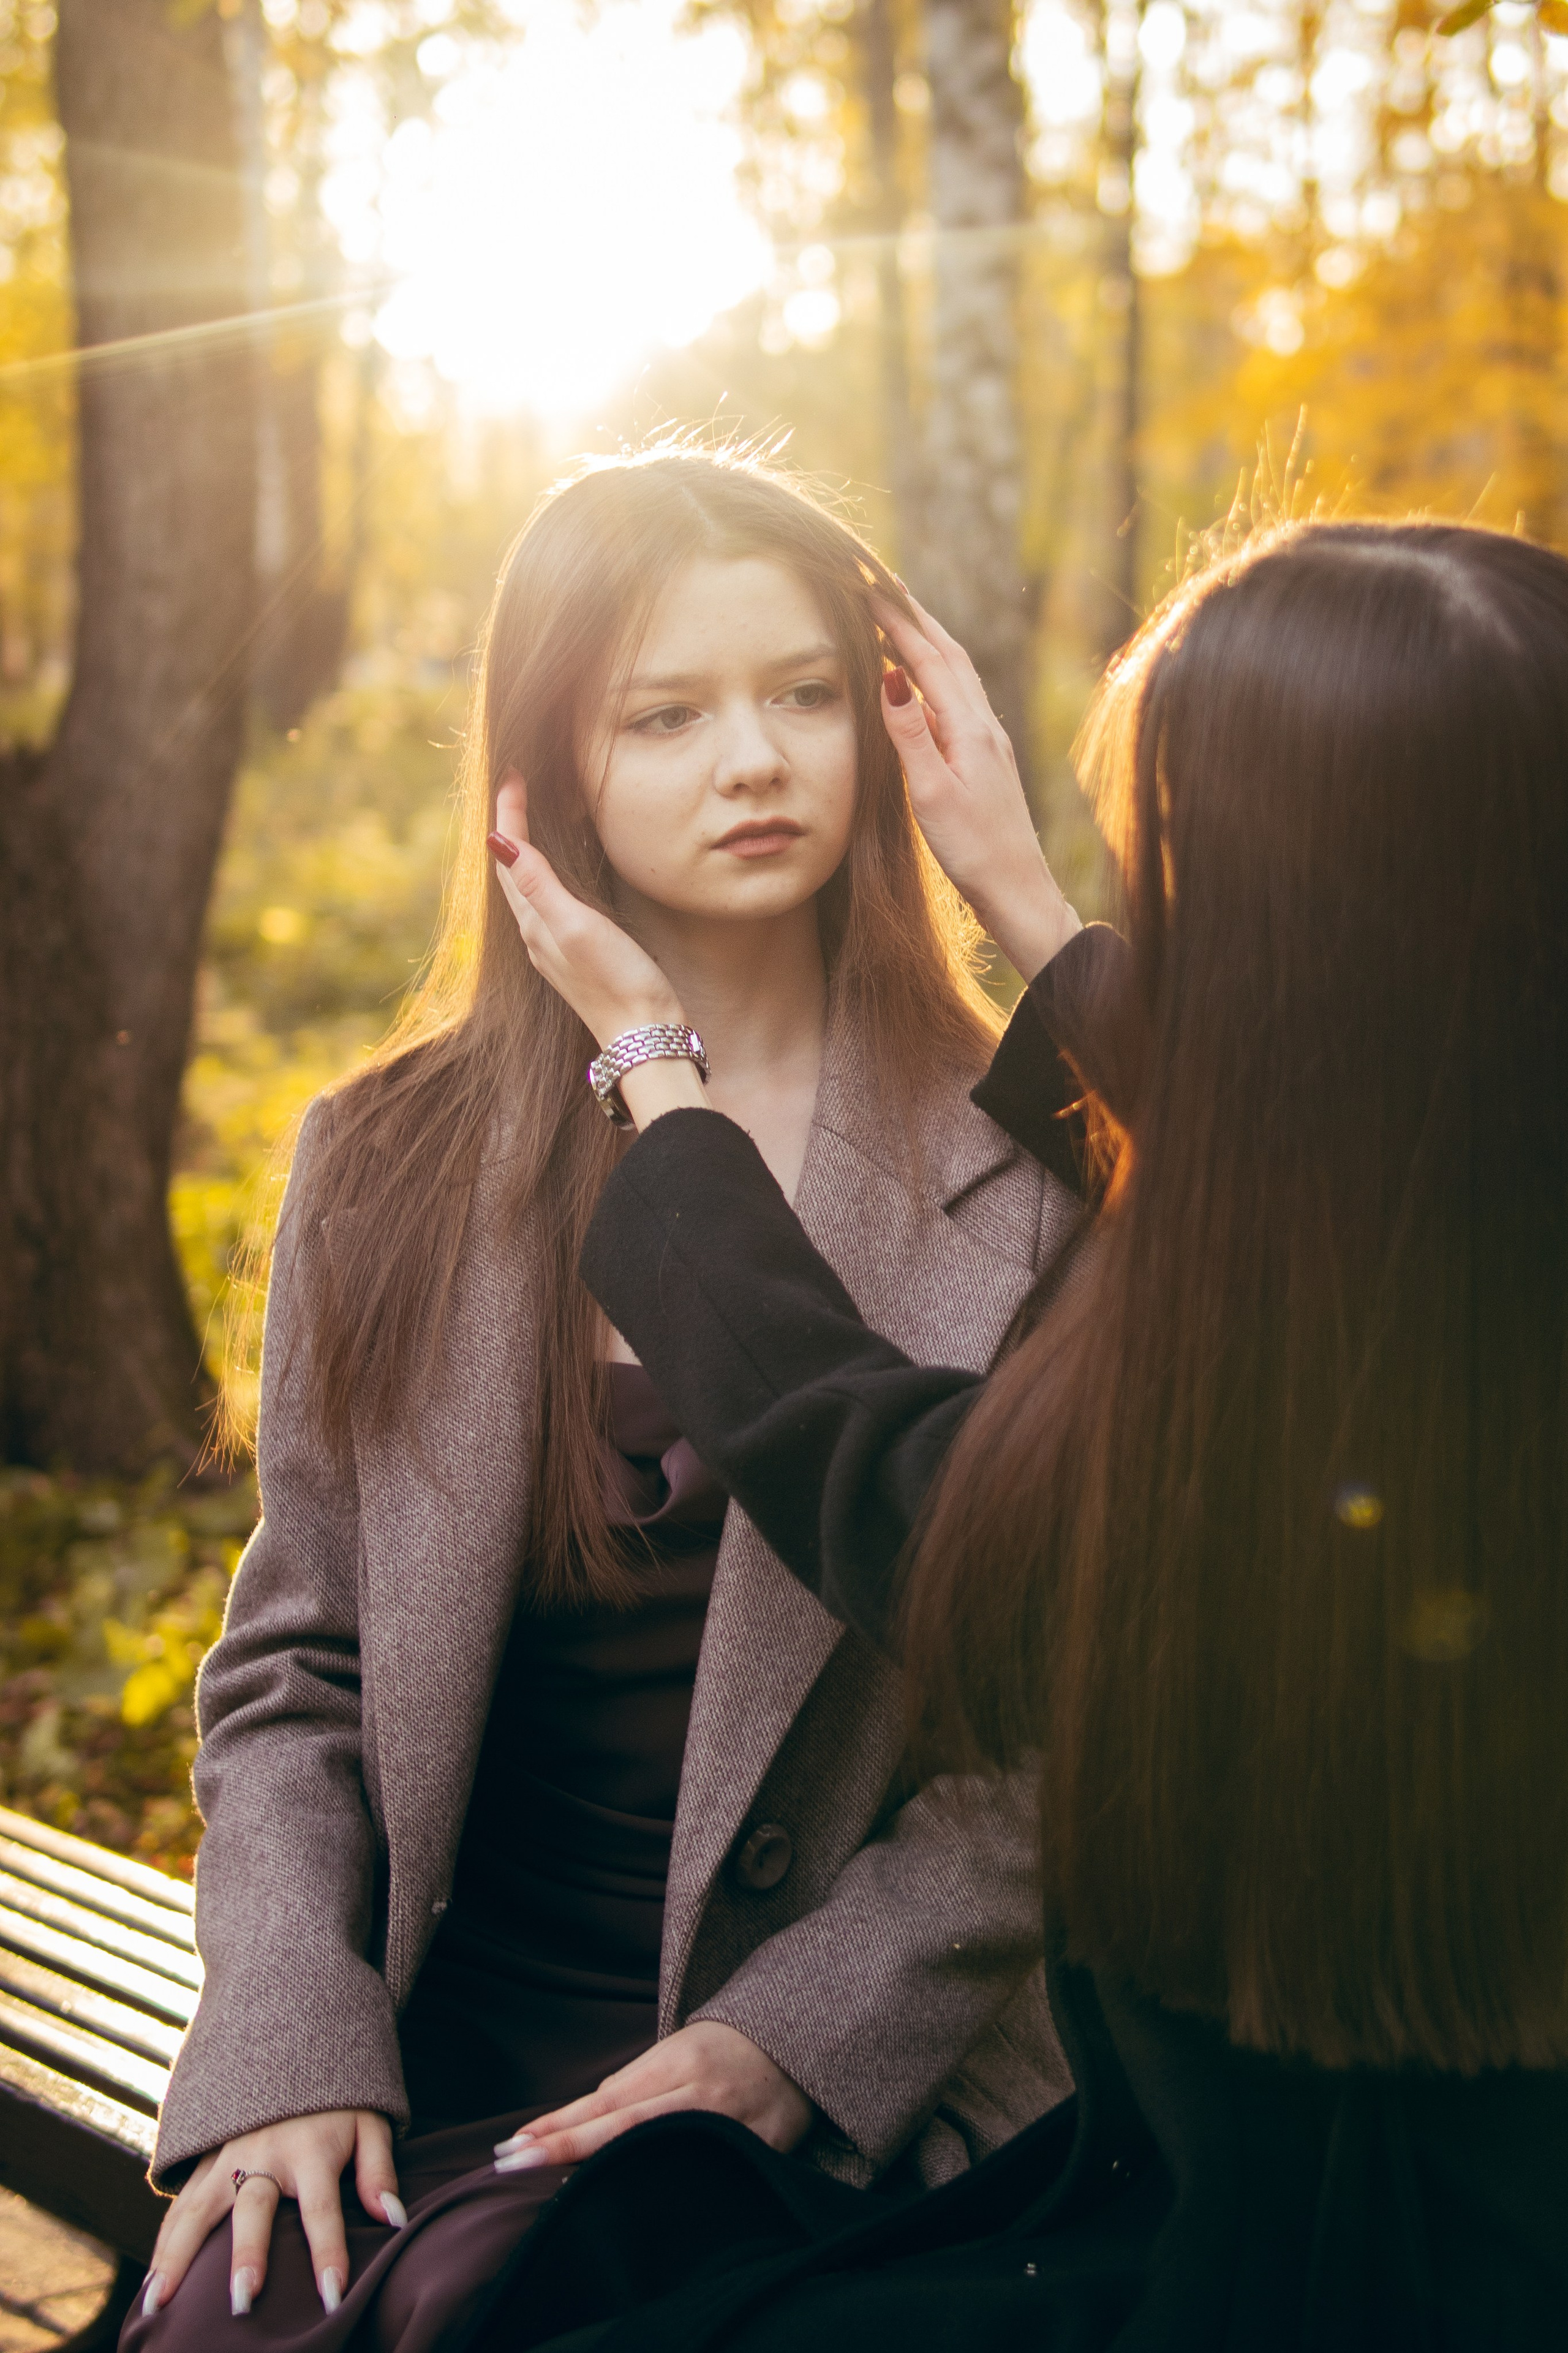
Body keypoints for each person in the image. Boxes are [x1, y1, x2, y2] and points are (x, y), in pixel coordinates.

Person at [472, 520, 1568, 2350]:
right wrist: (1038, 911)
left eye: (1175, 878)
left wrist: (654, 1087)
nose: (754, 756)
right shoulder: (1472, 1212)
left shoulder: (1246, 1418)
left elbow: (888, 1473)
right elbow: (1348, 1141)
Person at [123, 449, 1079, 2350]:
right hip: (435, 2026)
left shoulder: (1031, 1164)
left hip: (844, 2067)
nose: (757, 757)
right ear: (547, 768)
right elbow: (291, 1665)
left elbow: (1066, 1740)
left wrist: (788, 2033)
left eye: (809, 691)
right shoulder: (384, 1157)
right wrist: (290, 2035)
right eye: (670, 710)